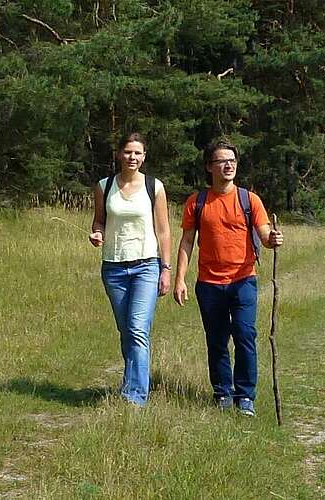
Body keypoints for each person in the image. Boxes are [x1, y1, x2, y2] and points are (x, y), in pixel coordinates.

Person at [172, 139, 285, 416]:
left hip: (243, 280)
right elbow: (187, 241)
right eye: (222, 161)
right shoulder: (197, 202)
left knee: (245, 334)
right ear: (209, 167)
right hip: (209, 284)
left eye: (232, 160)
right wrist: (180, 278)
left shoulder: (249, 199)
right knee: (217, 339)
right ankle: (223, 391)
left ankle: (246, 396)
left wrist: (272, 240)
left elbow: (264, 234)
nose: (228, 165)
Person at [89, 133, 173, 407]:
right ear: (119, 154)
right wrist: (97, 234)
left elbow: (163, 231)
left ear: (144, 156)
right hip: (113, 267)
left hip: (146, 266)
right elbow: (99, 221)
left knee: (138, 329)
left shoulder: (154, 186)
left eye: (137, 153)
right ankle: (131, 380)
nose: (132, 158)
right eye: (127, 152)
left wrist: (166, 268)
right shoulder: (105, 186)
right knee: (126, 330)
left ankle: (135, 396)